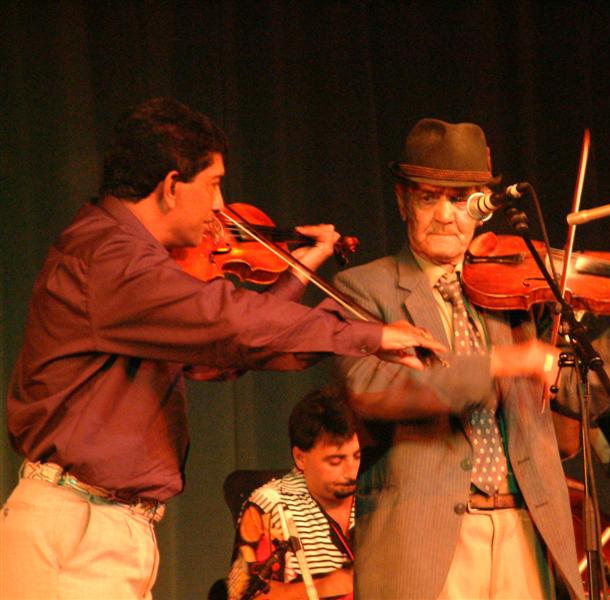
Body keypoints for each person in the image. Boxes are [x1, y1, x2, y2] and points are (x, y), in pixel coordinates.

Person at [0, 99, 443, 600]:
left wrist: (303, 279)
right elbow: (225, 319)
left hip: (105, 525)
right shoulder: (111, 257)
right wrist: (369, 334)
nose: (219, 206)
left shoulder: (127, 260)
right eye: (213, 184)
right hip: (78, 526)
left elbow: (219, 353)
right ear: (171, 186)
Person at [333, 118, 610, 599]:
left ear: (483, 207)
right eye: (429, 198)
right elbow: (375, 390)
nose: (446, 216)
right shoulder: (364, 288)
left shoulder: (518, 290)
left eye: (461, 199)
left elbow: (576, 390)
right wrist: (499, 365)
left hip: (524, 526)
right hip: (423, 538)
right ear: (403, 200)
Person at [227, 387, 359, 600]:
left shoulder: (375, 497)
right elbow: (242, 595)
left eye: (357, 456)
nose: (351, 471)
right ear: (300, 458)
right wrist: (326, 587)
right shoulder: (271, 505)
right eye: (336, 460)